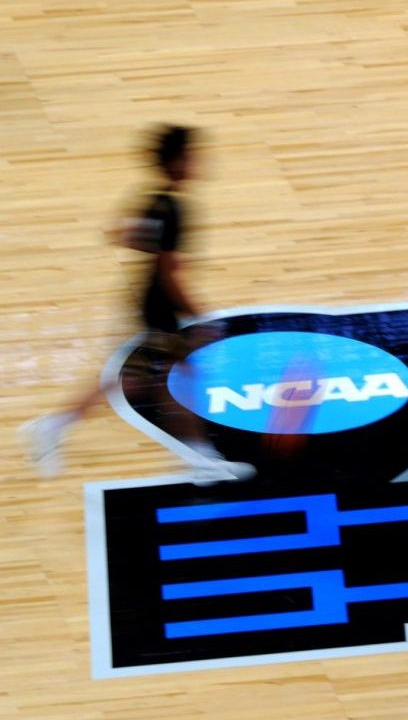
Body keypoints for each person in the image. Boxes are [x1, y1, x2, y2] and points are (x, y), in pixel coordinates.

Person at [20, 125, 254, 483]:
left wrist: (155, 248)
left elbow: (121, 233)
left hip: (148, 298)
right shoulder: (175, 207)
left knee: (163, 376)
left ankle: (197, 457)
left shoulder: (156, 199)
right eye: (192, 157)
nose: (197, 163)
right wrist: (199, 315)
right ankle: (53, 425)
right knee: (142, 378)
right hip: (159, 303)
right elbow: (169, 272)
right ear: (177, 161)